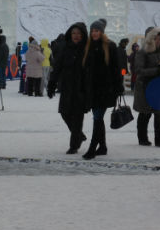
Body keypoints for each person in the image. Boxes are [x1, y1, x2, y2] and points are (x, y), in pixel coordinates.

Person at [80, 19, 121, 160]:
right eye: (92, 31)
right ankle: (102, 146)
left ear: (102, 32)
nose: (94, 33)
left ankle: (92, 148)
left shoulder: (110, 46)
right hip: (92, 90)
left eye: (96, 31)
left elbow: (117, 69)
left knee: (97, 118)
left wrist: (118, 86)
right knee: (98, 118)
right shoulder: (88, 47)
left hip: (105, 90)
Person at [48, 21, 88, 154]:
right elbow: (57, 67)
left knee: (77, 117)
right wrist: (52, 83)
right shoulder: (65, 48)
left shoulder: (87, 49)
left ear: (83, 35)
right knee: (65, 113)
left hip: (81, 88)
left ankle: (74, 145)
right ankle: (79, 135)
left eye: (78, 33)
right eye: (73, 33)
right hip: (66, 87)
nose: (76, 36)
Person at [132, 27, 160, 148]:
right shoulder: (142, 52)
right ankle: (142, 138)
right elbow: (138, 70)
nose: (158, 41)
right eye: (155, 38)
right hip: (145, 87)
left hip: (159, 88)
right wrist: (156, 70)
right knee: (145, 114)